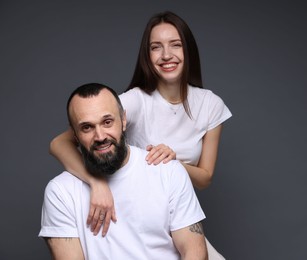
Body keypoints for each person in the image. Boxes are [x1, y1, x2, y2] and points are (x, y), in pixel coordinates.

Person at [50, 11, 231, 259]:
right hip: (127, 214)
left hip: (173, 218)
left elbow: (205, 177)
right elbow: (63, 141)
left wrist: (171, 162)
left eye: (175, 45)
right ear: (147, 56)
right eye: (156, 47)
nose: (166, 55)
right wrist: (96, 182)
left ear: (188, 50)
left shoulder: (210, 104)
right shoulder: (135, 100)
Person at [39, 83, 208, 260]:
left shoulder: (168, 172)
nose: (100, 136)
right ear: (74, 134)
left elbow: (194, 252)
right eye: (87, 127)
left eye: (107, 122)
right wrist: (96, 182)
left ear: (124, 120)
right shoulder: (60, 191)